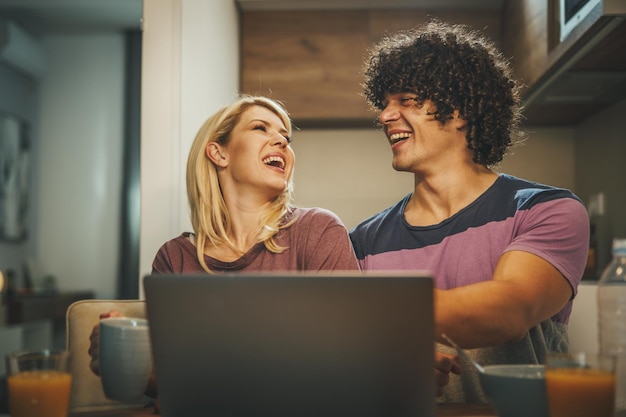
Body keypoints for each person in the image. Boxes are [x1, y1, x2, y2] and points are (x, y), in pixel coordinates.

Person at [87, 95, 458, 399]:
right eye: (260, 128)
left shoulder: (316, 230)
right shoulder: (174, 257)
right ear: (218, 153)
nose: (281, 140)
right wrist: (127, 359)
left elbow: (348, 361)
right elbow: (170, 385)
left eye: (286, 137)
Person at [349, 20, 590, 403]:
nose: (384, 116)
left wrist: (377, 319)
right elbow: (353, 356)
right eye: (384, 104)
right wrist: (390, 358)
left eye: (406, 100)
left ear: (459, 110)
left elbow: (510, 309)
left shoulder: (546, 210)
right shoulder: (363, 241)